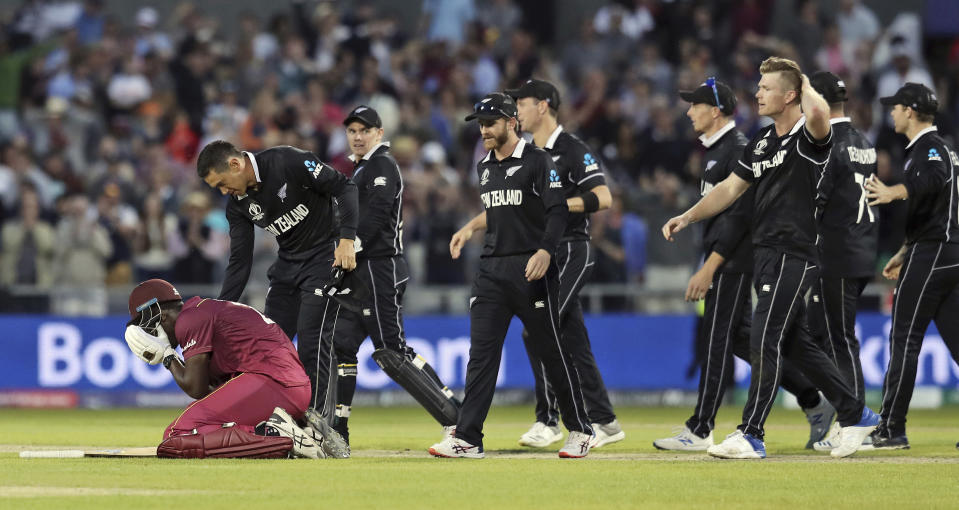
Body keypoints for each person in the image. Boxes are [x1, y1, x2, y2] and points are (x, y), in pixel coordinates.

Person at [662, 57, 877, 459]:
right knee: (795, 343)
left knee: (765, 338)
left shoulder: (811, 137)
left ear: (790, 94)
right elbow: (729, 189)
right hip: (766, 252)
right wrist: (688, 216)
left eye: (766, 88)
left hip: (795, 253)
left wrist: (799, 73)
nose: (757, 93)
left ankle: (752, 432)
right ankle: (857, 413)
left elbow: (817, 111)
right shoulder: (762, 140)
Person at [429, 93, 593, 459]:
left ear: (511, 122)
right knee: (481, 356)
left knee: (551, 350)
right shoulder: (484, 166)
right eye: (481, 124)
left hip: (531, 269)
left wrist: (546, 251)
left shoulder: (538, 161)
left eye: (490, 123)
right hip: (491, 271)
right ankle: (469, 438)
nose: (484, 130)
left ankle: (581, 429)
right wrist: (470, 227)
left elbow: (556, 211)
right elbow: (500, 211)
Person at [195, 140, 358, 435]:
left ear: (235, 164)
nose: (222, 192)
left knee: (311, 341)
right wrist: (218, 311)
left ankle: (316, 429)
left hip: (325, 257)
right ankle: (271, 419)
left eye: (221, 183)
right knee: (268, 347)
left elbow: (345, 187)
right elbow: (240, 261)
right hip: (287, 267)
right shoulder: (238, 205)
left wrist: (347, 240)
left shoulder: (288, 161)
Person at [331, 105, 460, 448]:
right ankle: (336, 431)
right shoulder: (361, 170)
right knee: (340, 344)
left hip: (379, 266)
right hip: (362, 269)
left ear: (379, 133)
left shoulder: (382, 166)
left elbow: (375, 219)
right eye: (352, 131)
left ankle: (456, 421)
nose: (357, 136)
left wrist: (345, 249)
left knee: (392, 353)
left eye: (364, 130)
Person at [507, 79, 623, 449]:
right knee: (573, 339)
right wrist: (471, 226)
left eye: (521, 103)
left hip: (571, 248)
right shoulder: (524, 154)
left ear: (543, 106)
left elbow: (603, 197)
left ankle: (549, 420)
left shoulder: (572, 149)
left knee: (537, 328)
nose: (516, 111)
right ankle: (604, 421)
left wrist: (559, 204)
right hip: (544, 250)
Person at [123, 278, 337, 459]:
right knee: (207, 423)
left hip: (271, 384)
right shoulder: (204, 310)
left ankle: (273, 433)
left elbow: (195, 388)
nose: (149, 334)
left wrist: (168, 357)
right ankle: (300, 429)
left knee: (177, 435)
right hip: (290, 388)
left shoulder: (189, 319)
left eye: (147, 326)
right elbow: (210, 392)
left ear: (160, 316)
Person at [865, 83, 959, 449]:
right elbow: (936, 208)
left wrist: (893, 191)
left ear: (910, 110)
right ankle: (892, 425)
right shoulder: (942, 148)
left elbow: (931, 185)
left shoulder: (931, 148)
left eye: (895, 106)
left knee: (904, 337)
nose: (891, 112)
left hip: (935, 252)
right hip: (944, 250)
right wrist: (905, 251)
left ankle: (891, 427)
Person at [806, 71, 879, 452]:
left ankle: (855, 422)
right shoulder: (864, 142)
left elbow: (816, 201)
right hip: (862, 248)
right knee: (818, 335)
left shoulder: (827, 145)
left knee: (840, 339)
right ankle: (843, 413)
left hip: (837, 253)